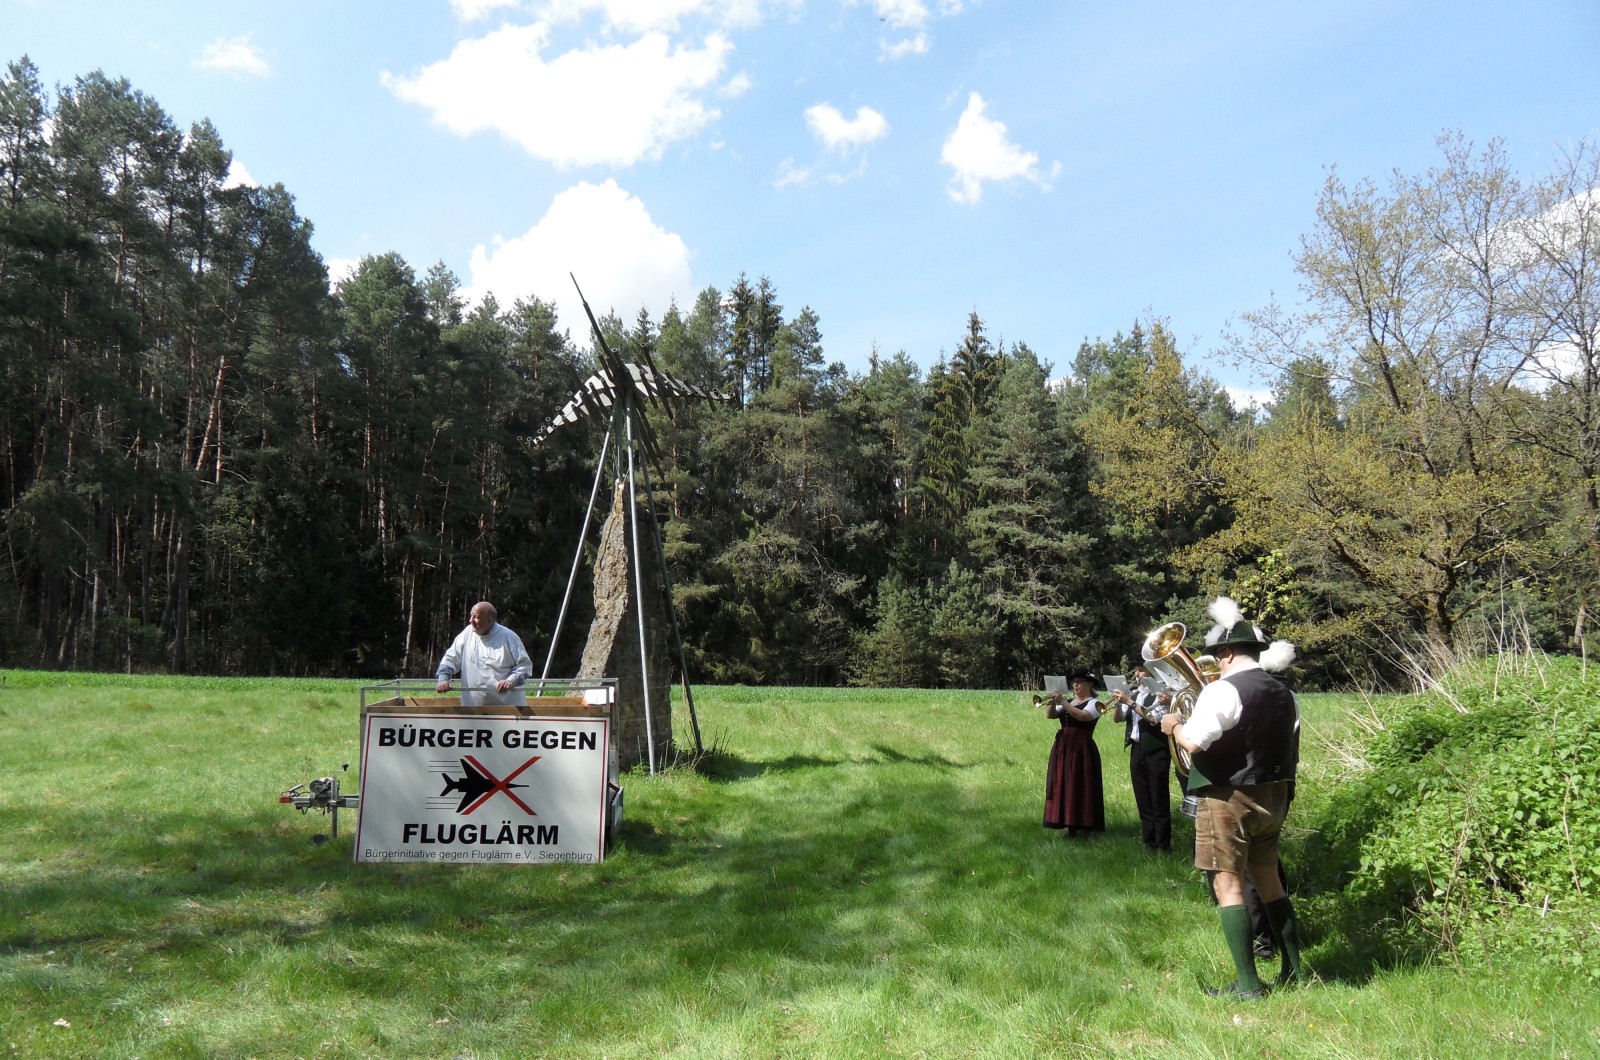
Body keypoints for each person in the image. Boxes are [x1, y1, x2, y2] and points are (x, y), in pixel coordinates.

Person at [1160, 597, 1306, 999]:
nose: (1216, 664)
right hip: (1273, 797)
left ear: (1226, 654)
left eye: (1217, 657)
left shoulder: (1222, 691)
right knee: (1270, 883)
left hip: (1228, 797)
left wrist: (1173, 724)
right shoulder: (1285, 693)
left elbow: (1193, 741)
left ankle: (1248, 985)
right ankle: (1294, 972)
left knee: (1228, 887)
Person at [1111, 665, 1174, 853]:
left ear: (1151, 673)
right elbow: (1118, 718)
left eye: (1141, 671)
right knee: (1143, 798)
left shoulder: (1159, 694)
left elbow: (1153, 719)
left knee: (1158, 797)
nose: (1137, 675)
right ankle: (1149, 842)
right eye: (1136, 671)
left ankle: (1163, 844)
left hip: (1157, 750)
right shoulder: (1135, 694)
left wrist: (1129, 701)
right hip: (1136, 749)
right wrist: (1117, 704)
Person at [1042, 670, 1106, 836]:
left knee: (1080, 784)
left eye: (1079, 682)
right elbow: (1050, 715)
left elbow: (1082, 716)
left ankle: (1084, 824)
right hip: (1064, 747)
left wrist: (1062, 701)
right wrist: (1051, 701)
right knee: (1064, 783)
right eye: (1074, 682)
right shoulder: (1069, 701)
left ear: (1089, 684)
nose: (1075, 685)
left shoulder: (1095, 703)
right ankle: (1068, 823)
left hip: (1082, 747)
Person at [435, 601, 533, 707]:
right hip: (473, 708)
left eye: (476, 617)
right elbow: (450, 658)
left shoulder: (509, 637)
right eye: (471, 616)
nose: (471, 620)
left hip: (507, 710)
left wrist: (510, 681)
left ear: (489, 620)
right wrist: (443, 679)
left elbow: (525, 666)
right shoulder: (467, 634)